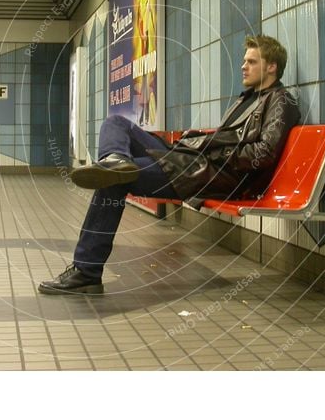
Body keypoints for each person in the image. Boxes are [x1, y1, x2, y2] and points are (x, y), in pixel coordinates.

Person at [38, 35, 301, 295]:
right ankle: (116, 160)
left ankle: (87, 272)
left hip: (212, 173)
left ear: (272, 67)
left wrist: (213, 152)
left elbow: (263, 153)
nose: (243, 66)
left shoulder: (281, 101)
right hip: (195, 160)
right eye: (244, 61)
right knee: (116, 123)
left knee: (112, 182)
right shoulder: (247, 99)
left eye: (252, 62)